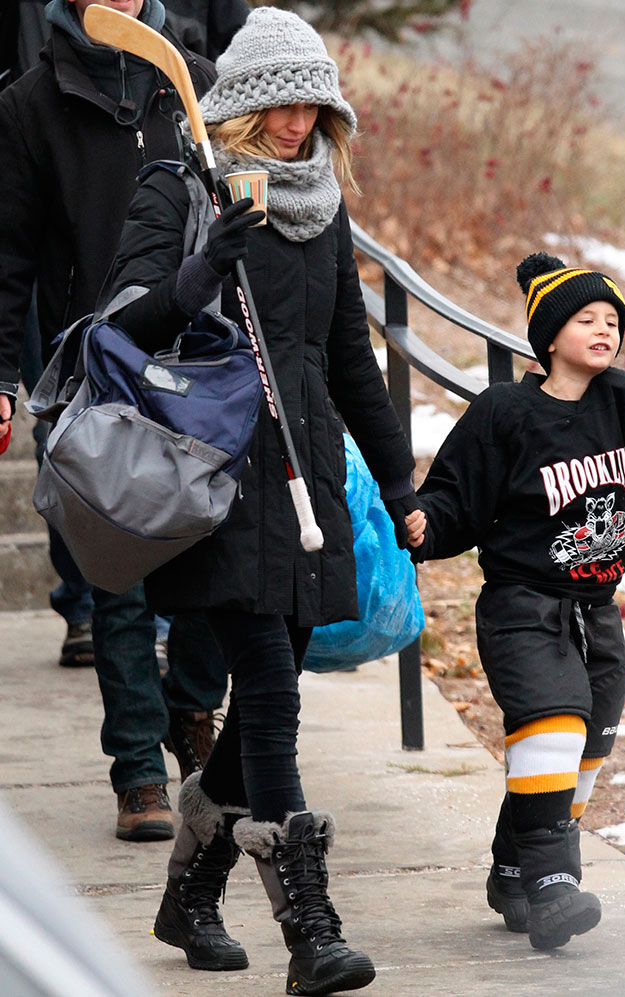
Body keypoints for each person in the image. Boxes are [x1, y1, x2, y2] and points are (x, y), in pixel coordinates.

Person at [102, 6, 419, 992]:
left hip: (306, 480)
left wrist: (400, 478)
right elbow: (124, 326)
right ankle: (310, 931)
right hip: (221, 472)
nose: (297, 124)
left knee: (256, 706)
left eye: (314, 107)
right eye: (281, 104)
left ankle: (189, 895)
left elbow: (345, 358)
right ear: (242, 103)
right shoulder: (181, 187)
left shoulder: (325, 206)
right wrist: (202, 270)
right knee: (274, 699)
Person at [406, 252, 625, 952]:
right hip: (523, 605)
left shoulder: (622, 400)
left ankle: (512, 868)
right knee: (554, 729)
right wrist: (424, 524)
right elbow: (452, 497)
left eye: (612, 320)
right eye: (586, 318)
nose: (604, 329)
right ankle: (554, 885)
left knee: (584, 750)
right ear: (549, 334)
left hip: (597, 611)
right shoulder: (506, 411)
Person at [0, 0, 230, 840]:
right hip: (94, 362)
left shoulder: (194, 82)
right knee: (118, 581)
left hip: (200, 362)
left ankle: (192, 706)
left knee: (216, 559)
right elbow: (10, 253)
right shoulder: (29, 103)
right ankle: (138, 769)